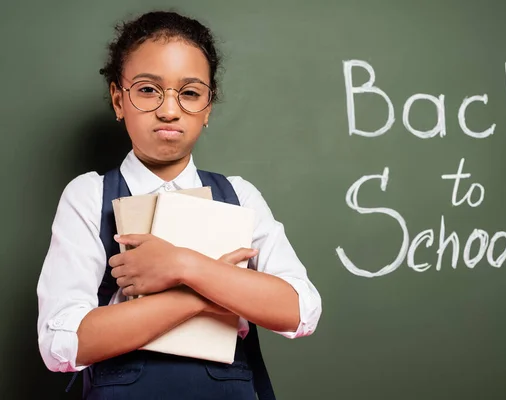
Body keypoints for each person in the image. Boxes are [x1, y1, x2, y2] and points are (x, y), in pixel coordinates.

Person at [36, 10, 322, 400]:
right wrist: (206, 292)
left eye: (189, 93)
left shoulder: (239, 195)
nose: (169, 110)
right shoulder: (89, 195)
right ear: (119, 100)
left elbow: (300, 311)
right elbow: (61, 345)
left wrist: (181, 264)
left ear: (208, 109)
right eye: (148, 90)